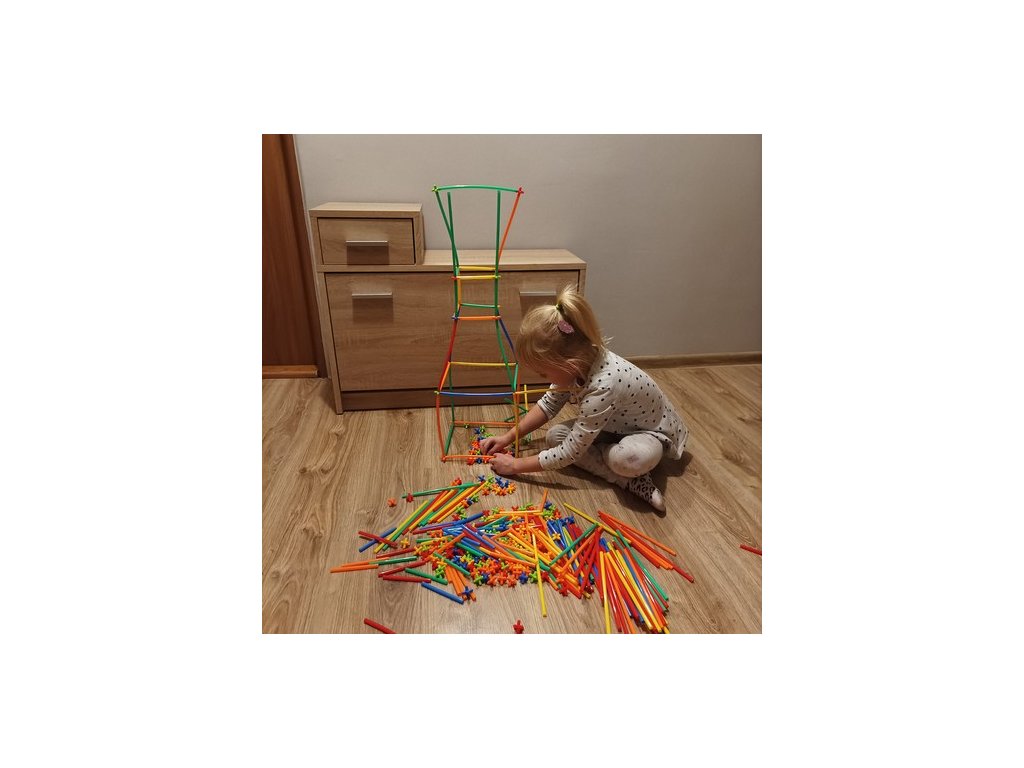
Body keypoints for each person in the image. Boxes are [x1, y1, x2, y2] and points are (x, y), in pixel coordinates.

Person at [481, 285, 688, 511]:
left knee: (626, 460)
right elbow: (548, 405)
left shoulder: (603, 385)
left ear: (568, 364)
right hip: (613, 425)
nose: (543, 379)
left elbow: (570, 453)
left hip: (650, 433)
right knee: (554, 437)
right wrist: (508, 437)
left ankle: (627, 476)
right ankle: (624, 477)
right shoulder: (575, 366)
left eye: (544, 373)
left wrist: (515, 466)